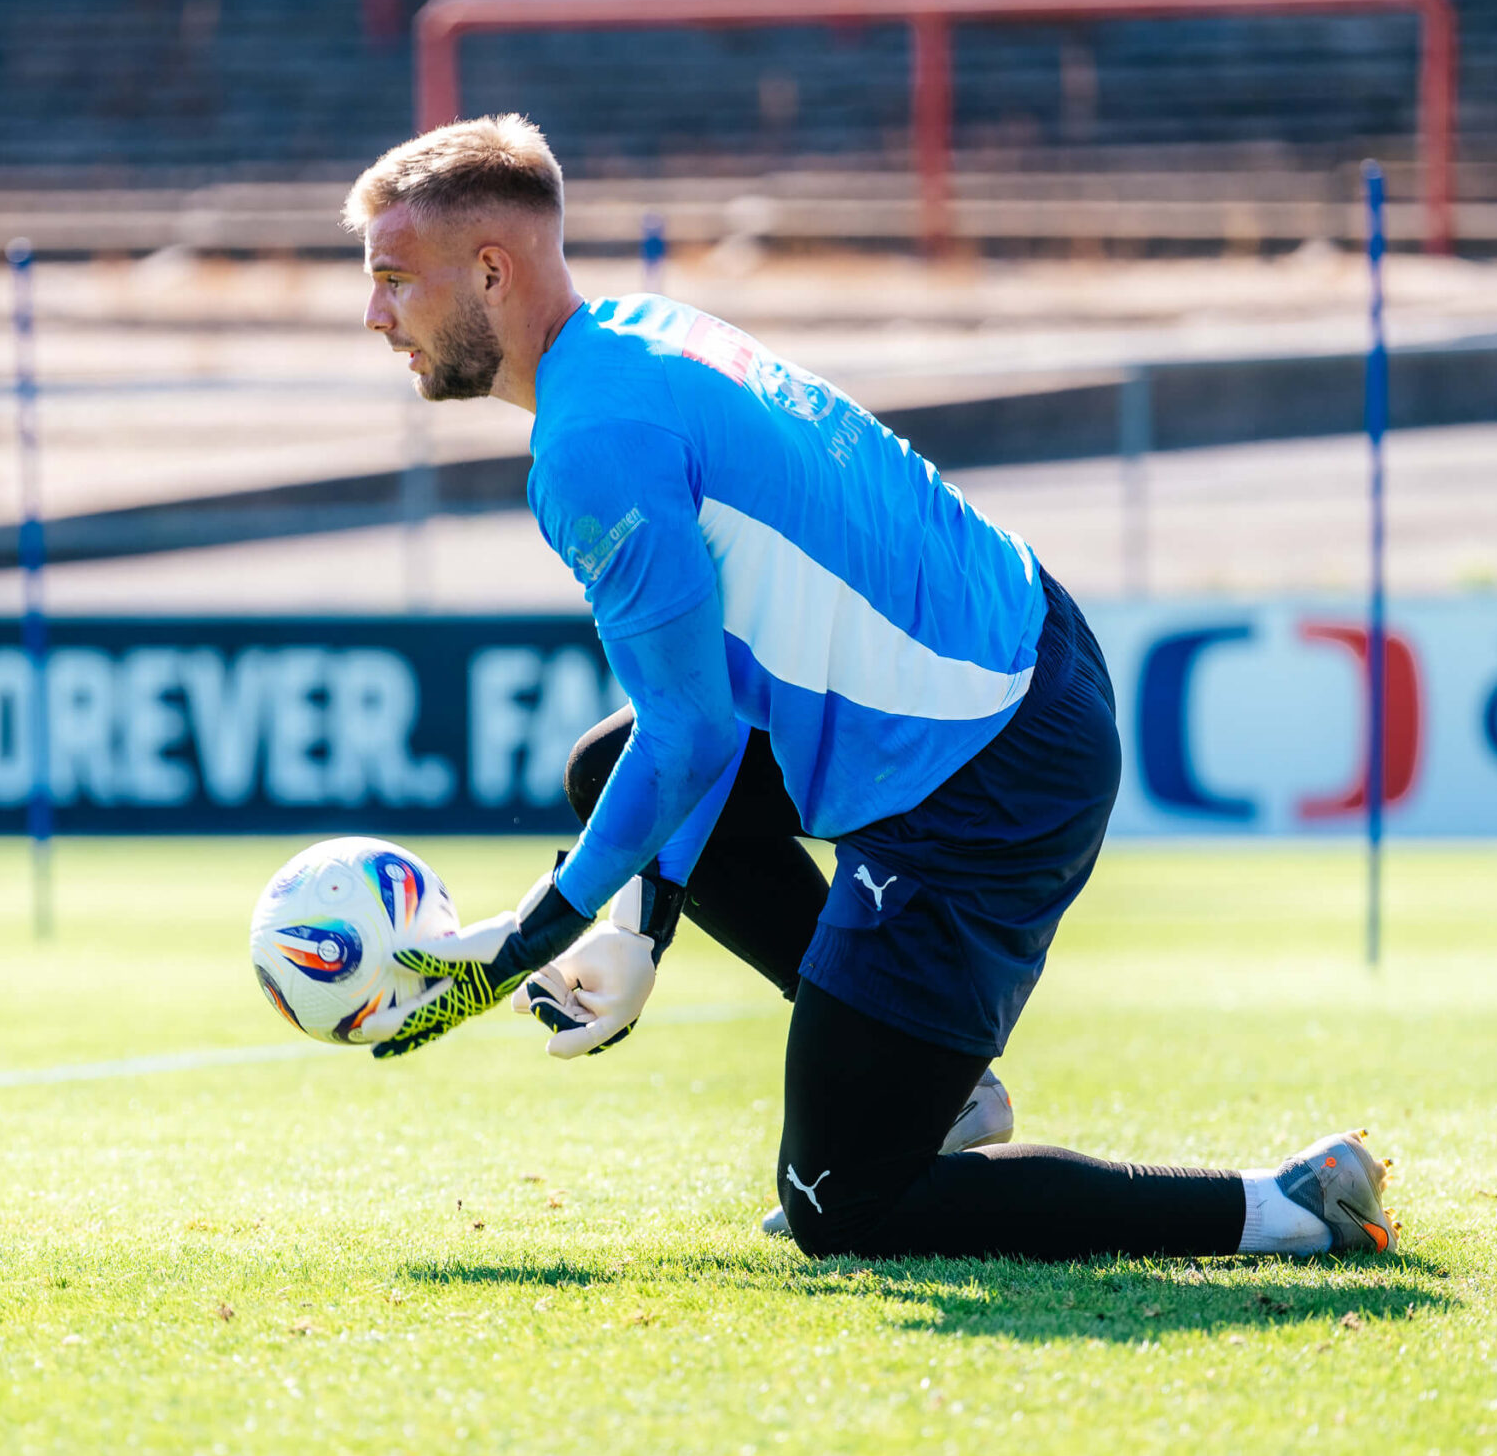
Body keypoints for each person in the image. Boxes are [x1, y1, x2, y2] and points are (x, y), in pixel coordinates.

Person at [344, 114, 1397, 1264]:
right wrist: (641, 923)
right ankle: (942, 1101)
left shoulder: (591, 448)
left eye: (394, 280)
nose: (374, 316)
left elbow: (694, 736)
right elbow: (705, 711)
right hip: (1034, 664)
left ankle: (1283, 1206)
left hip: (985, 776)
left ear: (490, 271)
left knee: (840, 1209)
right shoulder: (640, 338)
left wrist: (527, 935)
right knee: (609, 768)